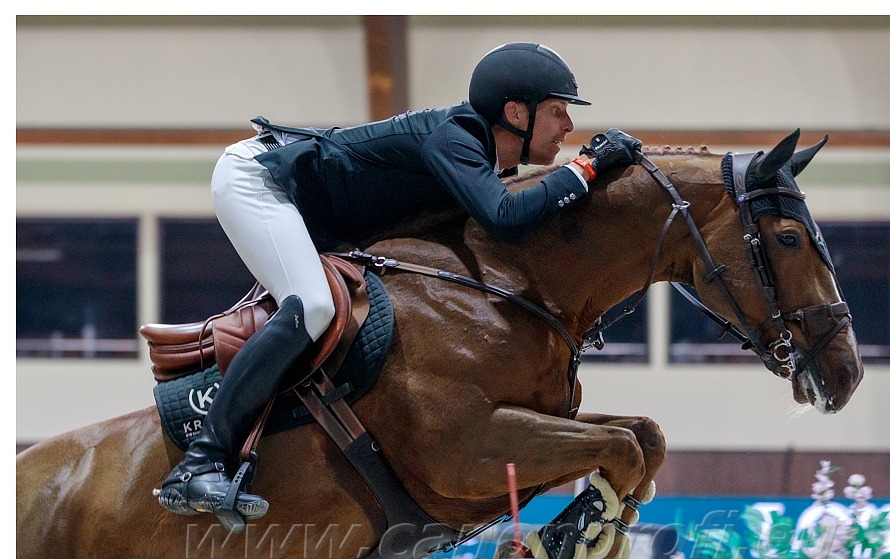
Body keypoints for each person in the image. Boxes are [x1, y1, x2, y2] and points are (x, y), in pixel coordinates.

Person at [156, 41, 644, 525]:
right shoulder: (457, 138)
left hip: (305, 205)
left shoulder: (493, 162)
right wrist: (587, 167)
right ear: (516, 112)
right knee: (314, 307)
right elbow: (508, 217)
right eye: (558, 111)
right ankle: (201, 463)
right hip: (258, 180)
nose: (569, 126)